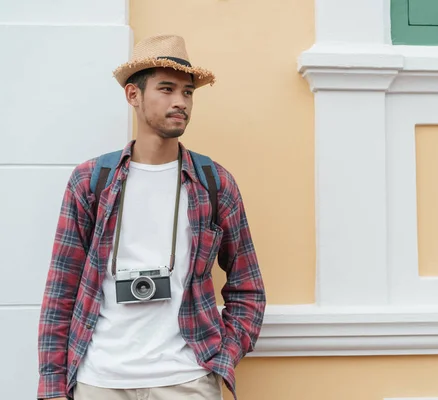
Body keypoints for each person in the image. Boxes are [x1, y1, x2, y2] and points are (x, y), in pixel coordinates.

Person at [37, 34, 266, 400]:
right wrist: (52, 386)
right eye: (166, 89)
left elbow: (247, 285)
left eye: (188, 92)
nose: (180, 102)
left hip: (188, 379)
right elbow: (61, 291)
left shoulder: (214, 182)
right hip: (101, 380)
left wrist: (223, 355)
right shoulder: (91, 181)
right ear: (133, 95)